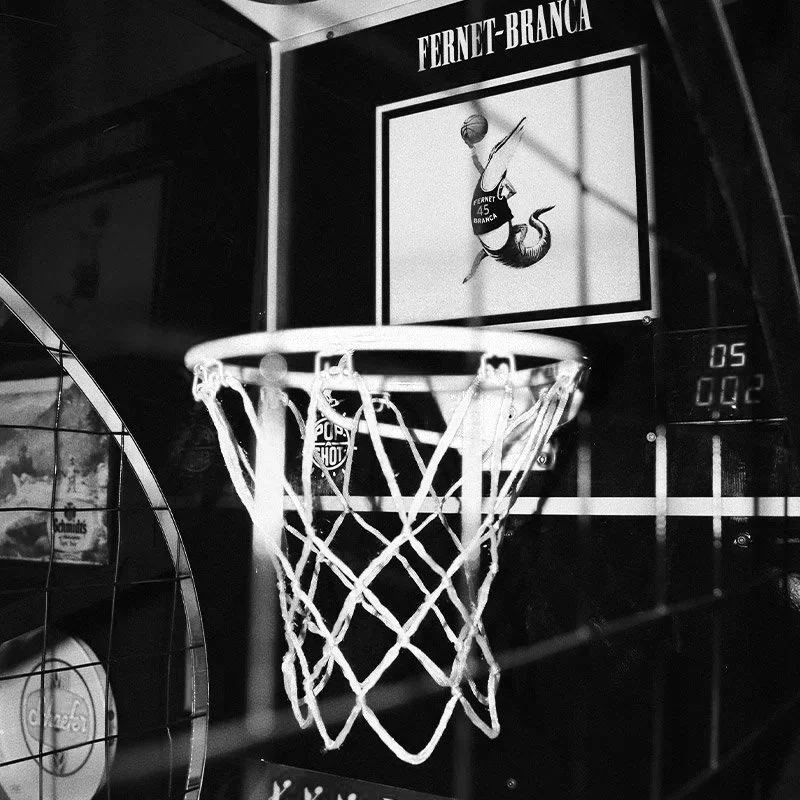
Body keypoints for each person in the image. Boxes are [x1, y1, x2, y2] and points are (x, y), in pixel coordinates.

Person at [463, 117, 554, 283]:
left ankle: (530, 225)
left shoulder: (496, 181)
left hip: (501, 243)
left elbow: (511, 188)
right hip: (498, 242)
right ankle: (532, 222)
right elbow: (479, 165)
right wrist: (471, 148)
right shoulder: (489, 179)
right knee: (519, 228)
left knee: (521, 228)